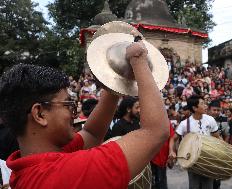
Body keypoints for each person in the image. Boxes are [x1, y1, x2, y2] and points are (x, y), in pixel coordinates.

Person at [0, 38, 169, 189]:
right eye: (68, 105)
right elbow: (155, 132)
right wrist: (138, 59)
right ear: (40, 114)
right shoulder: (64, 175)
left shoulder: (29, 166)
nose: (74, 114)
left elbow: (92, 133)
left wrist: (117, 80)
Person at [169, 95, 220, 189]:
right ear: (194, 108)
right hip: (192, 162)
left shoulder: (210, 119)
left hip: (208, 160)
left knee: (208, 186)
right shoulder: (185, 124)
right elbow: (173, 138)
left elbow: (218, 138)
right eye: (202, 104)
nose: (205, 106)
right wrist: (171, 151)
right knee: (194, 186)